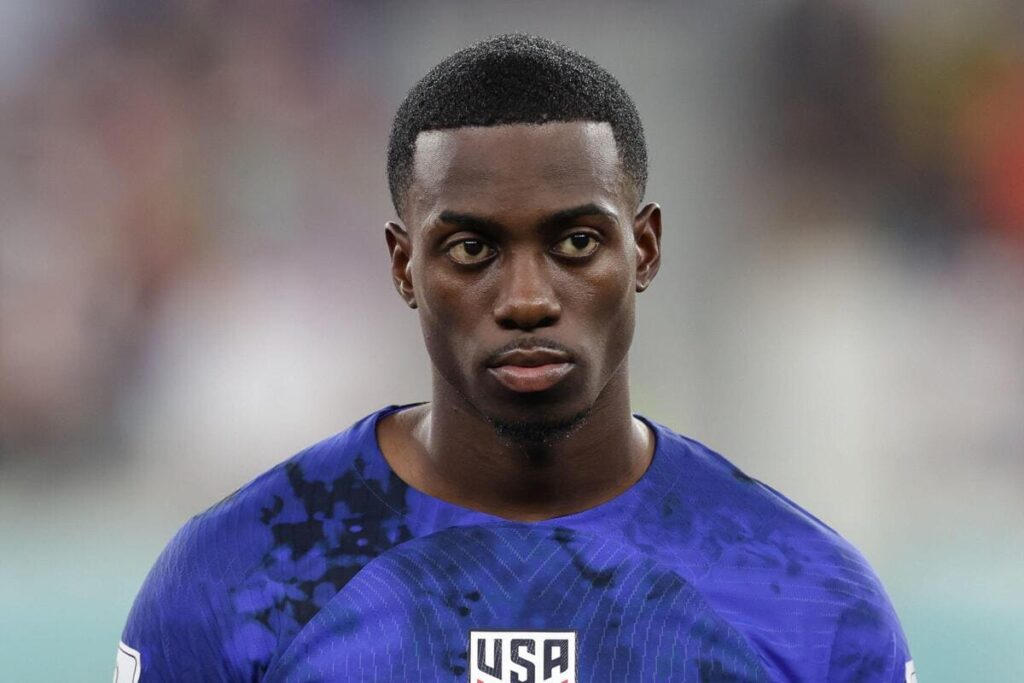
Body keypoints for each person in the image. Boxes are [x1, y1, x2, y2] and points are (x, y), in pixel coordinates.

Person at [116, 34, 915, 682]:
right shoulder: (232, 579)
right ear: (403, 265)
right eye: (472, 248)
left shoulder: (813, 601)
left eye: (577, 242)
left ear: (644, 248)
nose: (527, 298)